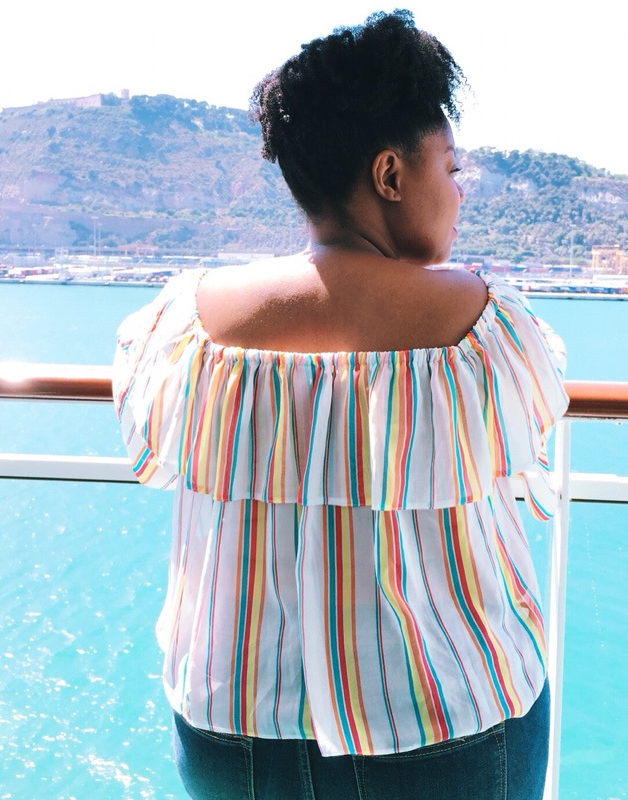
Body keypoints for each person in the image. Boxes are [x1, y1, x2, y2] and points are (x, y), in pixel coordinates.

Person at [113, 10, 568, 799]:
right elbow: (526, 429)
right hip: (447, 710)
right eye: (450, 169)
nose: (457, 193)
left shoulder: (185, 324)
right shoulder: (480, 323)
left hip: (235, 720)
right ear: (391, 175)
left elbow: (151, 451)